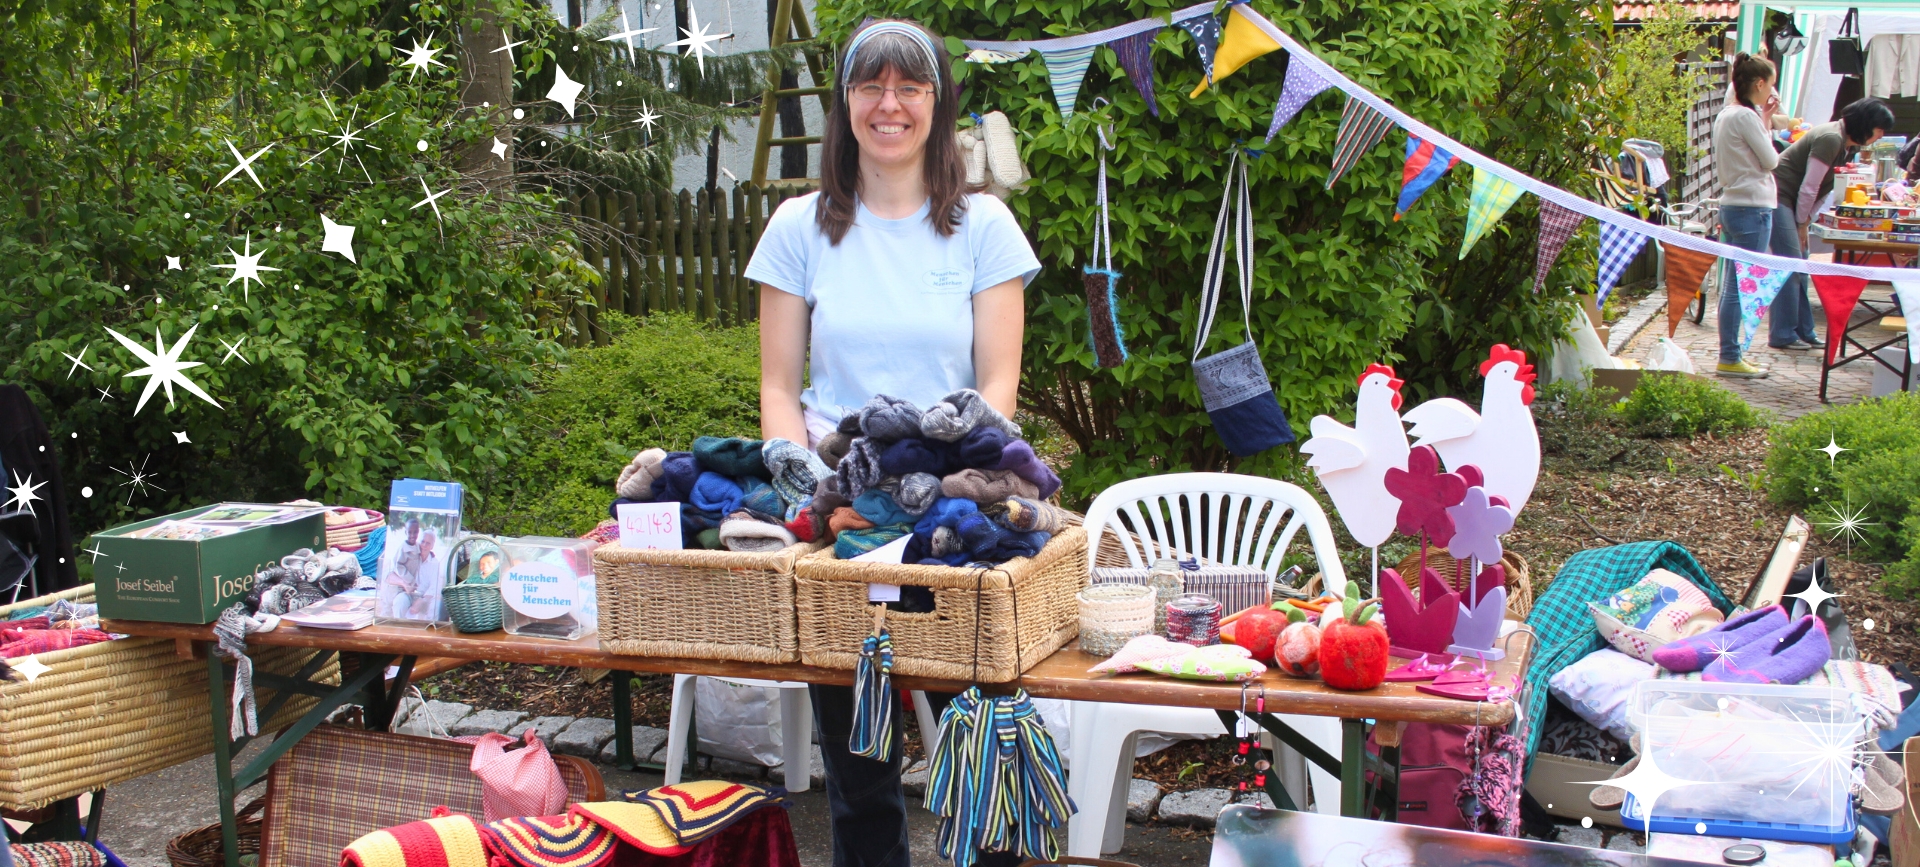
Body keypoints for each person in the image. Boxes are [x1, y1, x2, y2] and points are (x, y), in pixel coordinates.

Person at [743, 18, 1041, 867]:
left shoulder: (982, 226)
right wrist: (799, 477)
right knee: (861, 769)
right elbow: (777, 388)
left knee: (980, 741)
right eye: (871, 86)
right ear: (845, 104)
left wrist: (947, 483)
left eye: (909, 87)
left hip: (953, 521)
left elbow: (997, 390)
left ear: (936, 105)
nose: (890, 104)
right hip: (845, 521)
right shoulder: (800, 228)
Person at [1769, 97, 1893, 350]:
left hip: (1794, 202)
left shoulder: (1847, 145)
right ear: (1867, 124)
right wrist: (1802, 222)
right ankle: (1782, 334)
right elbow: (1809, 187)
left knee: (1801, 264)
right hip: (1779, 196)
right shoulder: (1830, 138)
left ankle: (1804, 331)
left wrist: (1806, 220)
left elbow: (1822, 190)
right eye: (1879, 130)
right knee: (1791, 265)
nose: (1880, 136)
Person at [1711, 53, 1782, 378]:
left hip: (1734, 204)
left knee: (1732, 287)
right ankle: (1730, 356)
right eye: (1771, 83)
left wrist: (1764, 117)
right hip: (1753, 206)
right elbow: (1771, 160)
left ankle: (1731, 354)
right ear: (1759, 84)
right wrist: (1765, 123)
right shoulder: (1745, 117)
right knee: (1740, 288)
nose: (1772, 90)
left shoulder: (1728, 114)